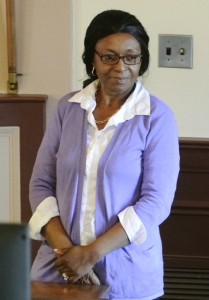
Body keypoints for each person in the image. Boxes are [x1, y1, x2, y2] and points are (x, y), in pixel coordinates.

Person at [29, 9, 180, 300]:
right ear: (92, 59)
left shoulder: (156, 117)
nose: (121, 67)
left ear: (141, 59)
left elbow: (156, 202)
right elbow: (41, 184)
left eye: (131, 57)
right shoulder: (68, 108)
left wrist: (90, 255)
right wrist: (68, 254)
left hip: (127, 272)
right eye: (109, 57)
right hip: (57, 268)